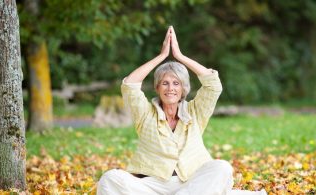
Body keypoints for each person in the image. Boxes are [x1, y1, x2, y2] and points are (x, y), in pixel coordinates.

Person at [97, 26, 267, 195]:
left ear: (183, 88)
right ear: (157, 87)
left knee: (222, 168)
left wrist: (180, 56)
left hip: (192, 184)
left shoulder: (195, 111)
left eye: (176, 83)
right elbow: (130, 85)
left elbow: (213, 85)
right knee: (110, 178)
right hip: (152, 186)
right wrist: (161, 56)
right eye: (165, 83)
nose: (170, 88)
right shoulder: (145, 114)